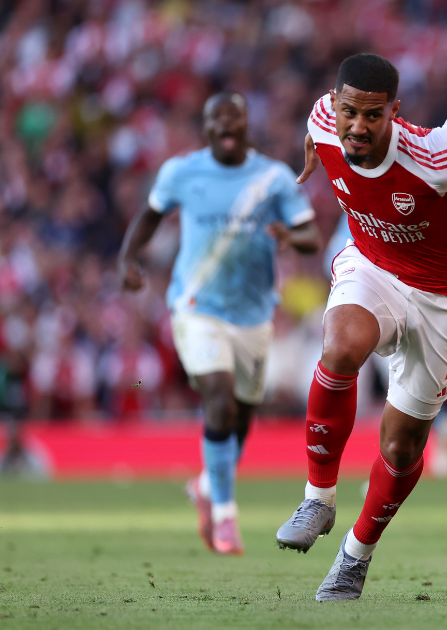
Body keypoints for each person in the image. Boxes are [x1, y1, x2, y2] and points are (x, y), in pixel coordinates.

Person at [274, 53, 447, 601]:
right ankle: (318, 497)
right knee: (340, 346)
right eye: (348, 111)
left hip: (445, 296)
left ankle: (354, 557)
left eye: (373, 116)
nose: (358, 125)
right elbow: (316, 131)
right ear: (334, 104)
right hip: (374, 265)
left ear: (394, 113)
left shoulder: (438, 153)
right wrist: (309, 153)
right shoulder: (321, 121)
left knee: (401, 447)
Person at [118, 92, 322, 555]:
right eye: (217, 118)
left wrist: (290, 235)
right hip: (196, 305)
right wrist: (128, 258)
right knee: (218, 392)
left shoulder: (271, 178)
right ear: (206, 126)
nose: (227, 125)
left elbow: (310, 234)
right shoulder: (181, 172)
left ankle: (209, 486)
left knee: (242, 413)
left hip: (252, 313)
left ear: (247, 125)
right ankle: (227, 517)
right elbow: (149, 216)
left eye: (235, 117)